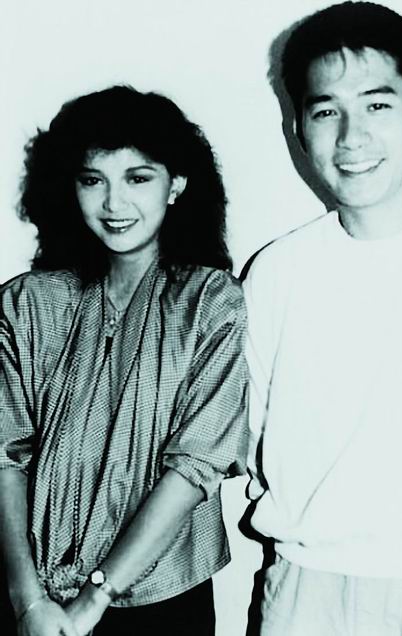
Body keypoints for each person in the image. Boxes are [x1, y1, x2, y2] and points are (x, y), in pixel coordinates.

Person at [0, 85, 248, 636]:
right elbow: (3, 457)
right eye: (94, 180)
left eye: (137, 178)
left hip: (163, 601)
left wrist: (96, 598)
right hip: (33, 601)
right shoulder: (27, 304)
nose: (113, 204)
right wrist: (27, 602)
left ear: (176, 184)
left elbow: (195, 465)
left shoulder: (211, 303)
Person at [243, 2, 402, 634]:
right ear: (298, 128)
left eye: (377, 105)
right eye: (326, 110)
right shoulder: (276, 272)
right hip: (303, 587)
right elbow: (250, 437)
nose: (351, 137)